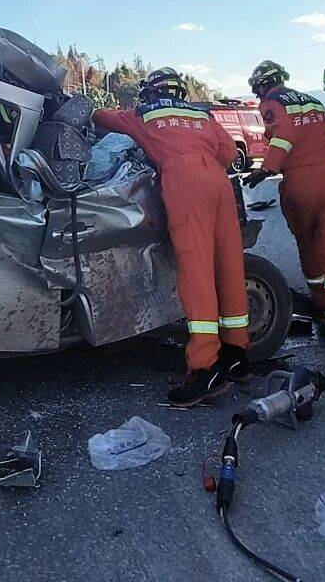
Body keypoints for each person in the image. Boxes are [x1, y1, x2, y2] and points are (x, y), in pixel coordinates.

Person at [93, 67, 252, 407]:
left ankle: (204, 369)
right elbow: (228, 154)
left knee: (196, 273)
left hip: (184, 180)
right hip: (218, 181)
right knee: (228, 265)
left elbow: (105, 118)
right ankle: (236, 353)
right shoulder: (202, 113)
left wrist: (89, 111)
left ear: (152, 91)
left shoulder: (144, 113)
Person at [244, 61, 325, 350]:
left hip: (302, 183)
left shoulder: (272, 103)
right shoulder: (314, 102)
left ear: (262, 85)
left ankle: (320, 303)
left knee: (309, 243)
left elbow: (283, 135)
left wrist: (266, 168)